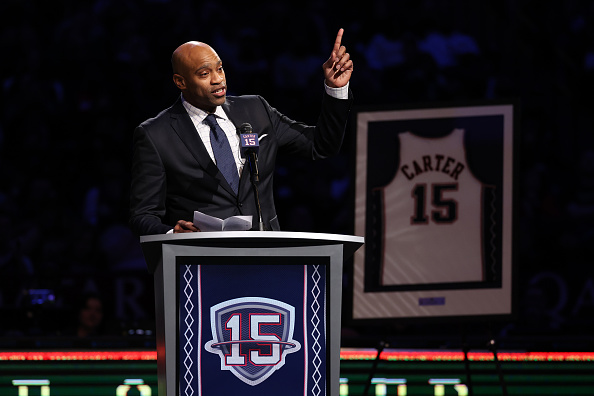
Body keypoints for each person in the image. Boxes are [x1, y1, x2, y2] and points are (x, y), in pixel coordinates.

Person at [129, 29, 353, 236]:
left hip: (266, 253)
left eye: (220, 68)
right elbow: (143, 215)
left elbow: (321, 145)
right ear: (180, 82)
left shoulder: (256, 110)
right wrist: (172, 235)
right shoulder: (155, 135)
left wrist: (335, 89)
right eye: (204, 73)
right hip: (201, 262)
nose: (218, 79)